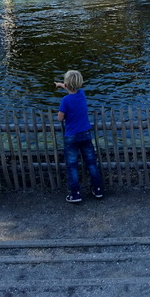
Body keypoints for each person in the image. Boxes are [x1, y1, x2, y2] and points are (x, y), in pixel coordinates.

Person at [55, 70, 105, 203]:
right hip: (85, 134)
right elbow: (73, 89)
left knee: (72, 165)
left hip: (71, 136)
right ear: (80, 84)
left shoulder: (65, 100)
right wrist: (61, 85)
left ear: (67, 84)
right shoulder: (82, 94)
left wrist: (62, 86)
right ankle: (98, 189)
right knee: (91, 163)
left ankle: (75, 194)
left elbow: (60, 118)